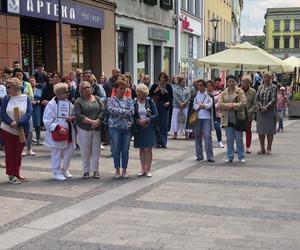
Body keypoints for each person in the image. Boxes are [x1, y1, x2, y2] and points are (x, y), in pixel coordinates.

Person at [1, 78, 32, 183]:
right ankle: (11, 175)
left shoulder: (26, 98)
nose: (7, 89)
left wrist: (18, 123)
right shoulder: (6, 98)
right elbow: (2, 113)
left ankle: (17, 173)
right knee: (10, 153)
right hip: (7, 129)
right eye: (7, 87)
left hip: (22, 130)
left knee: (18, 153)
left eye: (9, 87)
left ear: (16, 87)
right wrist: (11, 122)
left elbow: (28, 113)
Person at [43, 82, 75, 181]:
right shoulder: (51, 104)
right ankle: (56, 172)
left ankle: (65, 169)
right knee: (56, 152)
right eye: (66, 92)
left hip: (69, 131)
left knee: (70, 150)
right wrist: (57, 127)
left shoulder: (68, 103)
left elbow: (73, 115)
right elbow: (47, 120)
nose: (68, 93)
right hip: (57, 132)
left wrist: (72, 118)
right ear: (59, 94)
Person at [74, 81, 105, 179]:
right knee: (85, 150)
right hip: (84, 128)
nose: (87, 89)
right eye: (85, 88)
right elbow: (78, 115)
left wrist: (98, 120)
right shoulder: (78, 101)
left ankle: (96, 170)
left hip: (96, 128)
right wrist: (91, 122)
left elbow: (103, 110)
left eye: (89, 87)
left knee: (96, 150)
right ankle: (86, 170)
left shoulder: (97, 98)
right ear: (81, 90)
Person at [107, 79, 134, 178]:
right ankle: (117, 170)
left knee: (125, 150)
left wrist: (121, 112)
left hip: (127, 128)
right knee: (116, 149)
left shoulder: (129, 100)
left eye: (124, 89)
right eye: (121, 89)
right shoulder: (111, 100)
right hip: (115, 128)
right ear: (116, 89)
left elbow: (131, 111)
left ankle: (124, 170)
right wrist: (124, 111)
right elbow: (112, 110)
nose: (123, 91)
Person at [219, 75, 247, 163]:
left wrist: (233, 106)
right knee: (229, 139)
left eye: (232, 81)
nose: (231, 83)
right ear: (227, 82)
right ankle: (229, 156)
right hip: (227, 119)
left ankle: (241, 156)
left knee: (239, 139)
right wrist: (228, 106)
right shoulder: (223, 93)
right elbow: (220, 104)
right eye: (229, 81)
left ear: (235, 82)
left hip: (238, 118)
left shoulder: (240, 91)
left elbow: (243, 103)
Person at [133, 84, 158, 177]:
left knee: (148, 149)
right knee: (142, 148)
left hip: (148, 127)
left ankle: (148, 169)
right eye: (138, 91)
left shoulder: (149, 101)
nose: (139, 93)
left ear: (145, 93)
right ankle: (142, 169)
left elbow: (156, 115)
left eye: (141, 92)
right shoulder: (134, 103)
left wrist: (147, 120)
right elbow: (133, 116)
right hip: (139, 128)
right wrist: (138, 121)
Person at [255, 71, 277, 155]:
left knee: (269, 130)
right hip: (260, 112)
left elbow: (274, 99)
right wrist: (260, 107)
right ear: (263, 78)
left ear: (271, 78)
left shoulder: (274, 87)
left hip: (270, 111)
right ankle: (262, 148)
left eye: (268, 77)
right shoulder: (260, 87)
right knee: (261, 130)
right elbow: (256, 99)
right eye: (265, 77)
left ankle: (269, 148)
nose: (266, 79)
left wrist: (266, 107)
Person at [193, 79, 214, 162]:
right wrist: (199, 106)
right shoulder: (195, 95)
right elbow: (193, 105)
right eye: (198, 85)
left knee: (207, 136)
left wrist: (204, 106)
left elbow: (210, 104)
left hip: (207, 118)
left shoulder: (209, 95)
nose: (200, 86)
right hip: (197, 117)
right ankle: (199, 155)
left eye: (201, 85)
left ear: (205, 86)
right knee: (197, 136)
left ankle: (210, 156)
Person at [149, 72, 173, 148]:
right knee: (156, 124)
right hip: (156, 106)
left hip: (165, 106)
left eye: (164, 77)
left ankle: (163, 142)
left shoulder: (168, 86)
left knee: (164, 125)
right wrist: (155, 91)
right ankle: (156, 142)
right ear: (159, 78)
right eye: (161, 77)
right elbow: (149, 95)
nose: (163, 79)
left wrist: (169, 102)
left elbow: (171, 97)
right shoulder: (155, 85)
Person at [241, 75, 256, 153]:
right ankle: (239, 146)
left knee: (248, 130)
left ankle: (248, 146)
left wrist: (250, 111)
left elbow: (255, 103)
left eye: (246, 82)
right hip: (239, 114)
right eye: (243, 81)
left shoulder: (253, 91)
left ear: (249, 83)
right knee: (239, 130)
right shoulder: (239, 90)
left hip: (249, 115)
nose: (244, 83)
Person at [207, 80, 224, 148]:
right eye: (208, 86)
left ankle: (220, 141)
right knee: (207, 129)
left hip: (216, 114)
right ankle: (208, 141)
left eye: (210, 86)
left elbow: (219, 103)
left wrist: (212, 107)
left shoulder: (217, 94)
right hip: (207, 114)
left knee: (217, 127)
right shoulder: (205, 94)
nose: (209, 87)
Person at [29, 76, 43, 145]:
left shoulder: (39, 90)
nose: (32, 83)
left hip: (37, 108)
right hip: (28, 108)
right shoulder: (26, 90)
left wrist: (37, 102)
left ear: (35, 82)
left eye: (33, 81)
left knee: (37, 124)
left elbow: (42, 100)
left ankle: (38, 139)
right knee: (29, 124)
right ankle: (29, 140)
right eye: (30, 81)